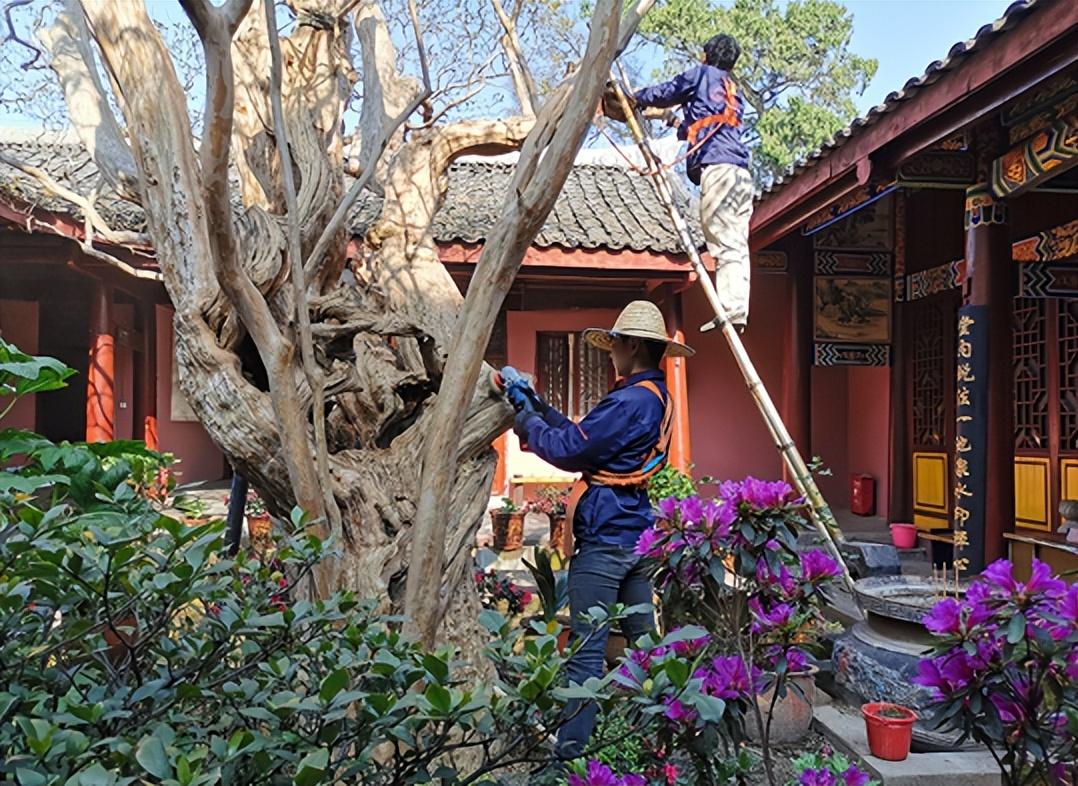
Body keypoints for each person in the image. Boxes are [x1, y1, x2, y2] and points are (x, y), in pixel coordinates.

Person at [502, 300, 694, 760]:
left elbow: (571, 450)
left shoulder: (629, 400)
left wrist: (524, 415)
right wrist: (539, 408)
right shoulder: (658, 397)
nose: (611, 353)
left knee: (587, 652)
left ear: (630, 345)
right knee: (645, 647)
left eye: (614, 345)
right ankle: (660, 748)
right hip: (638, 536)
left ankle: (570, 758)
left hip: (605, 540)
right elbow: (584, 437)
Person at [621, 33, 752, 333]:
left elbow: (669, 90)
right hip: (740, 175)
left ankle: (731, 308)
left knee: (722, 239)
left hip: (718, 171)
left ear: (706, 55)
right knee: (735, 242)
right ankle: (737, 306)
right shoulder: (732, 90)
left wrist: (636, 98)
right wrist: (673, 122)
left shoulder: (702, 76)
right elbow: (704, 127)